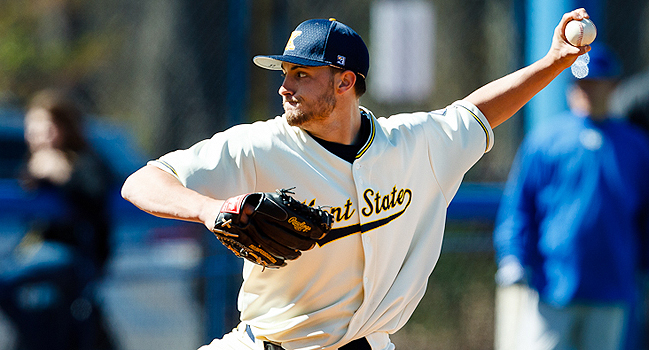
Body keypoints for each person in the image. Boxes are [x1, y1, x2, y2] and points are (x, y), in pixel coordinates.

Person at [121, 9, 592, 350]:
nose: (285, 86)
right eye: (284, 72)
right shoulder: (257, 146)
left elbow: (477, 112)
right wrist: (209, 209)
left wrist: (554, 61)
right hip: (268, 343)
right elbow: (142, 182)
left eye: (302, 74)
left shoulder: (415, 145)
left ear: (345, 82)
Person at [493, 43, 649, 350]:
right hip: (554, 284)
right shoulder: (546, 140)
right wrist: (513, 257)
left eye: (595, 83)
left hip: (612, 286)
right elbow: (519, 208)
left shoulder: (636, 146)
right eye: (581, 83)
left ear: (613, 86)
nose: (587, 91)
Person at [0, 89, 116, 350]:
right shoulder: (34, 163)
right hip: (39, 254)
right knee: (38, 309)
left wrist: (63, 174)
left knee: (5, 285)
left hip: (75, 254)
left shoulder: (84, 160)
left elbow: (96, 195)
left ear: (62, 126)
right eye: (30, 128)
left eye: (43, 127)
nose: (35, 135)